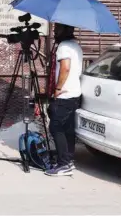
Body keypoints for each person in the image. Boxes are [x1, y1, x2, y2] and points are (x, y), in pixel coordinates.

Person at [45, 23, 83, 177]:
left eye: (57, 29)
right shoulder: (75, 46)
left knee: (55, 128)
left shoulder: (64, 47)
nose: (54, 31)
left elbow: (65, 68)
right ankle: (68, 160)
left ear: (65, 30)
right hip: (75, 93)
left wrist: (58, 88)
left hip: (65, 95)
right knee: (68, 129)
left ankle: (63, 164)